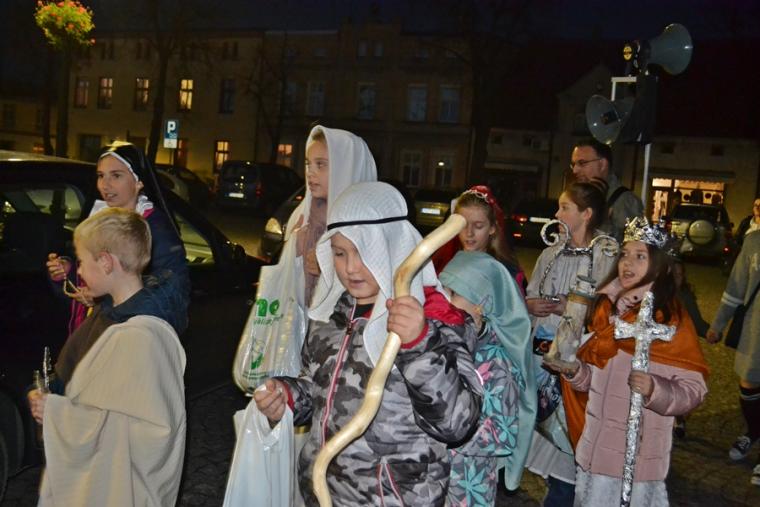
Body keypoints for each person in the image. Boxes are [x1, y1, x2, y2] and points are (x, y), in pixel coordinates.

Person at [253, 181, 483, 506]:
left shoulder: (435, 318)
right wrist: (287, 397)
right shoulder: (330, 314)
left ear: (391, 247)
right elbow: (319, 391)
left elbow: (457, 424)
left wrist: (419, 345)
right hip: (324, 496)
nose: (350, 268)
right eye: (339, 253)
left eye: (363, 252)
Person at [28, 208, 186, 506]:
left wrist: (56, 412)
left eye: (81, 261)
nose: (79, 271)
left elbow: (142, 431)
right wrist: (52, 396)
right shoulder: (108, 313)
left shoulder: (140, 338)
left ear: (105, 262)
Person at [560, 217, 709, 506]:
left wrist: (655, 389)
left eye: (640, 256)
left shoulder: (670, 321)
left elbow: (694, 390)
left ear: (661, 266)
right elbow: (597, 381)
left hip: (636, 464)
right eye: (625, 254)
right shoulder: (607, 311)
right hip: (595, 454)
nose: (627, 263)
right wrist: (576, 372)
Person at [523, 179, 616, 506]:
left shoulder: (605, 256)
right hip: (541, 354)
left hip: (579, 357)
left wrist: (575, 308)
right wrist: (531, 305)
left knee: (570, 429)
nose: (557, 213)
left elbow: (610, 308)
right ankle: (558, 484)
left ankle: (567, 490)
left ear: (586, 214)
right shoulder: (550, 253)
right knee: (546, 426)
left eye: (565, 207)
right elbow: (532, 290)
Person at [46, 142, 190, 334]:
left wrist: (101, 299)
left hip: (130, 334)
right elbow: (98, 275)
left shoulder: (156, 229)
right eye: (101, 175)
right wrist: (68, 271)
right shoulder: (99, 219)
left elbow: (169, 296)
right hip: (94, 330)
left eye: (116, 175)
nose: (105, 185)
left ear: (139, 181)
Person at [438, 250, 536, 505]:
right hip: (434, 480)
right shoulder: (441, 344)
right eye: (442, 290)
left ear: (480, 304)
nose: (444, 299)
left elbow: (501, 435)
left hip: (467, 486)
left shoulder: (496, 361)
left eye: (454, 293)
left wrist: (442, 433)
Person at [286, 125, 377, 310]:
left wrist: (329, 268)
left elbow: (379, 280)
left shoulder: (369, 224)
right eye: (308, 164)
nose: (310, 173)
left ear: (346, 168)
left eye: (320, 164)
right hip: (298, 316)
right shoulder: (302, 215)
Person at [707, 230, 760, 485]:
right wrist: (718, 324)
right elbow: (736, 287)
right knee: (748, 384)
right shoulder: (754, 241)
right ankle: (754, 431)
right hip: (755, 329)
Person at [432, 184, 527, 293]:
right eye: (463, 225)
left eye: (478, 226)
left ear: (492, 228)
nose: (469, 233)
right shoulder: (444, 264)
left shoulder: (506, 274)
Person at [570, 138, 644, 242]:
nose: (575, 170)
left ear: (602, 164)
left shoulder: (623, 200)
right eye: (573, 164)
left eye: (582, 163)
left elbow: (632, 245)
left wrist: (602, 220)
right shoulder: (580, 195)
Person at [672, 257, 710, 438]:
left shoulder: (685, 296)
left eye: (679, 275)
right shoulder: (651, 294)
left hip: (680, 350)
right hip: (658, 350)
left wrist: (711, 332)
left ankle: (679, 420)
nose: (676, 279)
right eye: (673, 275)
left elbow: (696, 320)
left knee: (678, 385)